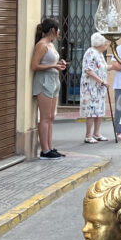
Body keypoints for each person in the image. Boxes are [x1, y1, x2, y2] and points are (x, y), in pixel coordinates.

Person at [31, 18, 67, 159]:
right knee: (45, 118)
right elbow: (34, 66)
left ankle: (50, 147)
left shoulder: (51, 45)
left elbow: (50, 62)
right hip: (44, 81)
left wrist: (59, 63)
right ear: (53, 30)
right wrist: (53, 66)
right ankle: (44, 150)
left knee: (51, 117)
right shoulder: (41, 45)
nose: (59, 32)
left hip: (53, 80)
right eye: (57, 29)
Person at [81, 32, 112, 144]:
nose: (107, 43)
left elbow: (102, 67)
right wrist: (102, 81)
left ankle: (97, 133)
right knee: (91, 110)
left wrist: (113, 66)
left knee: (99, 109)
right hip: (91, 87)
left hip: (99, 87)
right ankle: (88, 135)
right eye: (106, 42)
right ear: (101, 43)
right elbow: (89, 70)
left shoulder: (99, 53)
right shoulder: (91, 52)